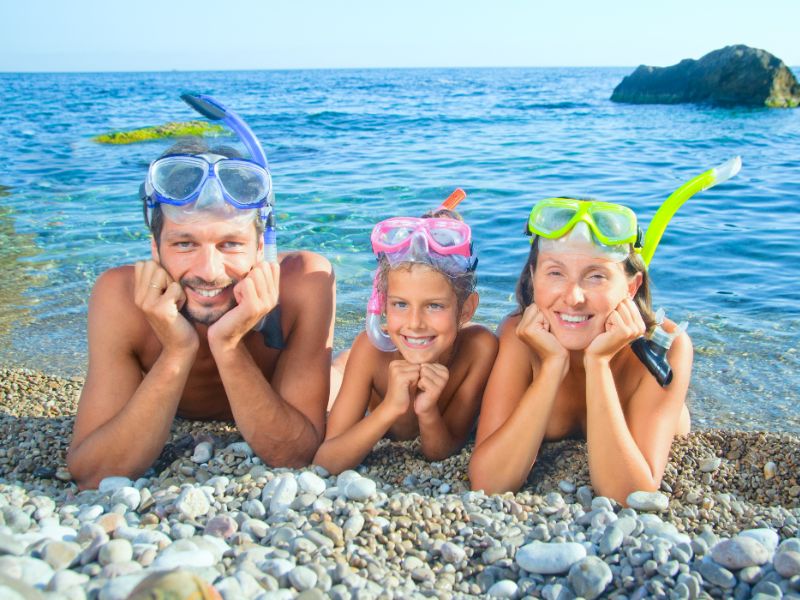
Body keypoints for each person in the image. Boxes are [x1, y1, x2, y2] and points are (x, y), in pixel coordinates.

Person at [67, 95, 334, 489]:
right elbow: (92, 472)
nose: (209, 273)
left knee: (344, 374)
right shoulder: (119, 297)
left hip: (281, 400)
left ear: (261, 249)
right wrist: (177, 350)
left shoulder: (304, 284)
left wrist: (227, 345)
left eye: (230, 245)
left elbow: (294, 455)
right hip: (173, 409)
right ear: (155, 247)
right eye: (185, 244)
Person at [469, 197, 694, 503]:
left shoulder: (666, 348)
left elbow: (629, 495)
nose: (574, 297)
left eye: (596, 276)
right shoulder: (519, 336)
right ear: (534, 277)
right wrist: (551, 368)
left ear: (631, 287)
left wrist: (598, 363)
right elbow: (489, 483)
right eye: (555, 273)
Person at [314, 196, 498, 474]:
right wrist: (389, 408)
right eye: (400, 304)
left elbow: (442, 451)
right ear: (382, 303)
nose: (414, 324)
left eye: (434, 305)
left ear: (466, 309)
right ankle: (341, 365)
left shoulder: (479, 349)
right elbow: (326, 461)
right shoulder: (371, 349)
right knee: (330, 380)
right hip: (352, 370)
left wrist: (427, 411)